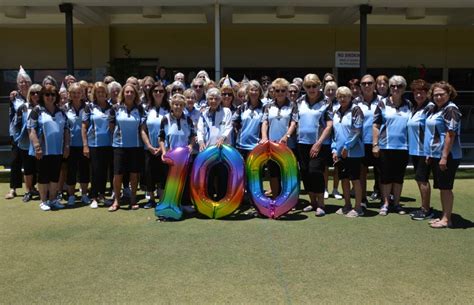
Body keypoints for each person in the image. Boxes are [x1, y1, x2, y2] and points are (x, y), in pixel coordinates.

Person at [424, 82, 462, 228]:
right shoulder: (436, 109)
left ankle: (447, 219)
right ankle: (444, 216)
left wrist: (444, 157)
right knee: (442, 187)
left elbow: (450, 134)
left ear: (449, 94)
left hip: (448, 155)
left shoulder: (451, 109)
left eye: (441, 94)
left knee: (446, 187)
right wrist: (430, 153)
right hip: (436, 154)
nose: (438, 97)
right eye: (435, 95)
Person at [373, 75, 411, 216]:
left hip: (403, 147)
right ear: (390, 87)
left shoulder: (409, 104)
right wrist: (375, 144)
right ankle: (385, 203)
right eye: (393, 86)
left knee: (398, 177)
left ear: (404, 89)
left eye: (399, 86)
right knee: (385, 177)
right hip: (385, 146)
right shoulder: (382, 103)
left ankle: (396, 204)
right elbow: (376, 125)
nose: (396, 88)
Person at [28, 85, 70, 211]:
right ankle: (43, 201)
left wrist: (66, 146)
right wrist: (37, 147)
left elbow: (66, 130)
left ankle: (53, 200)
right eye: (47, 94)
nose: (50, 97)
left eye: (53, 95)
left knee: (54, 176)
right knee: (43, 176)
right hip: (43, 150)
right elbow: (31, 129)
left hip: (57, 150)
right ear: (42, 96)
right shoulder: (37, 110)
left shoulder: (61, 111)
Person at [295, 74, 332, 216]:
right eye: (308, 86)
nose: (311, 89)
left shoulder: (326, 102)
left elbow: (329, 126)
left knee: (315, 171)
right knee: (305, 172)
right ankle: (313, 202)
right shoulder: (299, 102)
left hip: (319, 144)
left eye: (314, 86)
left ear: (319, 86)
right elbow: (295, 122)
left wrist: (318, 143)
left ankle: (321, 204)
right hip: (301, 143)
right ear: (304, 87)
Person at [108, 84, 144, 212]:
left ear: (135, 94)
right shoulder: (115, 108)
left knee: (134, 175)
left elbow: (142, 128)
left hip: (135, 146)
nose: (129, 94)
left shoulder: (140, 109)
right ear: (123, 93)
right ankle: (116, 200)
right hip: (119, 146)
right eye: (127, 92)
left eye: (132, 92)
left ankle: (133, 199)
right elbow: (111, 126)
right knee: (117, 174)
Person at [261, 78, 298, 201]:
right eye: (277, 90)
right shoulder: (268, 106)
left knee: (287, 174)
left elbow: (293, 123)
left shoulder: (293, 105)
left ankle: (288, 200)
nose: (280, 93)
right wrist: (264, 137)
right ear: (273, 91)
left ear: (287, 91)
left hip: (288, 145)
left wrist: (286, 136)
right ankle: (276, 199)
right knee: (273, 173)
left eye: (283, 90)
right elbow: (265, 122)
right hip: (271, 145)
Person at [332, 86, 365, 217]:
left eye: (345, 96)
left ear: (350, 96)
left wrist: (347, 146)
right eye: (340, 96)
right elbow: (334, 134)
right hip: (340, 153)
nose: (342, 99)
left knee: (355, 179)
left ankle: (358, 208)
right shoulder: (336, 112)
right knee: (344, 179)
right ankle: (347, 205)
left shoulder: (356, 110)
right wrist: (334, 149)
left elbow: (357, 130)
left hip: (353, 153)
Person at [159, 94, 196, 211]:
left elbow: (193, 135)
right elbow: (161, 137)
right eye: (175, 104)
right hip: (171, 157)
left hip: (185, 157)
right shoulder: (165, 119)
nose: (178, 107)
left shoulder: (188, 119)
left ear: (184, 106)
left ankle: (185, 204)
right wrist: (164, 152)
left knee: (184, 180)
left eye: (180, 105)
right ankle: (172, 204)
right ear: (171, 105)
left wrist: (190, 145)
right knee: (171, 182)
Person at [197, 88, 233, 199]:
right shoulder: (203, 113)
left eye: (216, 98)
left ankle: (222, 199)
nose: (213, 101)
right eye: (211, 98)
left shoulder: (226, 111)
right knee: (209, 177)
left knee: (223, 176)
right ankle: (210, 199)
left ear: (220, 99)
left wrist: (223, 138)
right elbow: (200, 130)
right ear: (207, 100)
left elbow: (229, 126)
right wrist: (201, 141)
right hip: (207, 151)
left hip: (223, 150)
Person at [82, 82, 113, 209]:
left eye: (103, 92)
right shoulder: (89, 107)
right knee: (95, 171)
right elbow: (84, 127)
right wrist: (85, 145)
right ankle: (93, 196)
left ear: (106, 93)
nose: (101, 94)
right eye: (98, 92)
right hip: (94, 144)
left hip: (108, 144)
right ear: (94, 93)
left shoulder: (111, 108)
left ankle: (101, 195)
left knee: (104, 171)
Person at [407, 79, 434, 221]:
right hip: (415, 150)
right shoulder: (415, 107)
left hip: (424, 151)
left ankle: (426, 210)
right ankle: (424, 206)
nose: (419, 95)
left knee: (422, 179)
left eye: (422, 92)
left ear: (427, 93)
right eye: (416, 92)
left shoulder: (430, 107)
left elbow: (431, 130)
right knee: (419, 179)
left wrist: (429, 151)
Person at [140, 81, 170, 209]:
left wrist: (163, 148)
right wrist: (149, 146)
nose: (158, 93)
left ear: (165, 93)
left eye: (161, 91)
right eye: (155, 91)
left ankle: (162, 200)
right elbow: (142, 130)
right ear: (151, 93)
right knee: (149, 174)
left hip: (165, 149)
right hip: (150, 148)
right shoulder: (146, 109)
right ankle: (151, 199)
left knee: (164, 175)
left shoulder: (169, 109)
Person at [355, 74, 382, 205]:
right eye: (364, 83)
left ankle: (385, 200)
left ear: (374, 85)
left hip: (379, 143)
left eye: (370, 83)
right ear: (360, 86)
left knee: (382, 172)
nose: (367, 85)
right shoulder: (355, 103)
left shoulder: (383, 101)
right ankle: (362, 199)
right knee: (361, 173)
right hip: (361, 143)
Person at [11, 84, 41, 202]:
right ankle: (28, 191)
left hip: (41, 143)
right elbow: (16, 124)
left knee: (39, 168)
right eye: (33, 93)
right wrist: (18, 138)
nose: (35, 95)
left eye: (38, 92)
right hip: (25, 143)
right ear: (29, 94)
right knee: (28, 168)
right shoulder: (23, 107)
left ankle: (40, 189)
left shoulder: (45, 107)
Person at [6, 67, 31, 199]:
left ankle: (31, 187)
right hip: (17, 134)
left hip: (32, 133)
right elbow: (11, 117)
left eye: (26, 81)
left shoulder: (34, 95)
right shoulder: (14, 97)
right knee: (15, 160)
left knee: (30, 161)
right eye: (21, 82)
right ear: (17, 84)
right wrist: (13, 134)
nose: (24, 84)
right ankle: (13, 189)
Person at [64, 83, 90, 207]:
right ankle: (71, 196)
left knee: (84, 170)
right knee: (71, 171)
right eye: (73, 93)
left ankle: (84, 194)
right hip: (70, 145)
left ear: (82, 94)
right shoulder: (64, 108)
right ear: (69, 94)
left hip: (85, 145)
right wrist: (66, 146)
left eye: (78, 92)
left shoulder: (88, 107)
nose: (76, 95)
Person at [232, 80, 264, 159]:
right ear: (248, 92)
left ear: (260, 92)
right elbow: (233, 122)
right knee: (242, 170)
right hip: (241, 145)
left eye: (256, 90)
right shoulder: (242, 107)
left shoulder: (264, 108)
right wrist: (237, 132)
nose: (254, 92)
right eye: (252, 90)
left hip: (257, 146)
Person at [323, 81, 342, 200]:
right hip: (325, 138)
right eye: (328, 89)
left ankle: (335, 189)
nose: (330, 92)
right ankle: (324, 188)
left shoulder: (340, 104)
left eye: (333, 90)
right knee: (324, 166)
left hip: (337, 138)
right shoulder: (322, 103)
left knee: (337, 166)